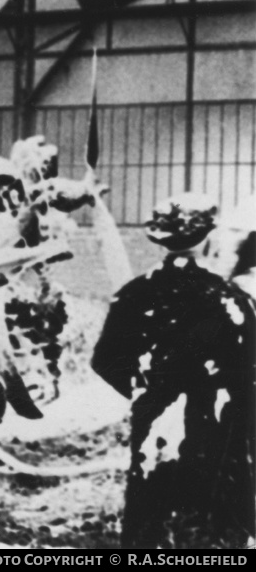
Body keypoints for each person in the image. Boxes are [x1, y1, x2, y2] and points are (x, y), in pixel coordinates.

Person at [92, 193, 255, 548]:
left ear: (158, 239)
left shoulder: (133, 294)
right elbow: (247, 370)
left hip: (153, 422)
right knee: (206, 527)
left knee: (149, 518)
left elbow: (104, 359)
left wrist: (145, 390)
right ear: (208, 238)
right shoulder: (230, 301)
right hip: (213, 430)